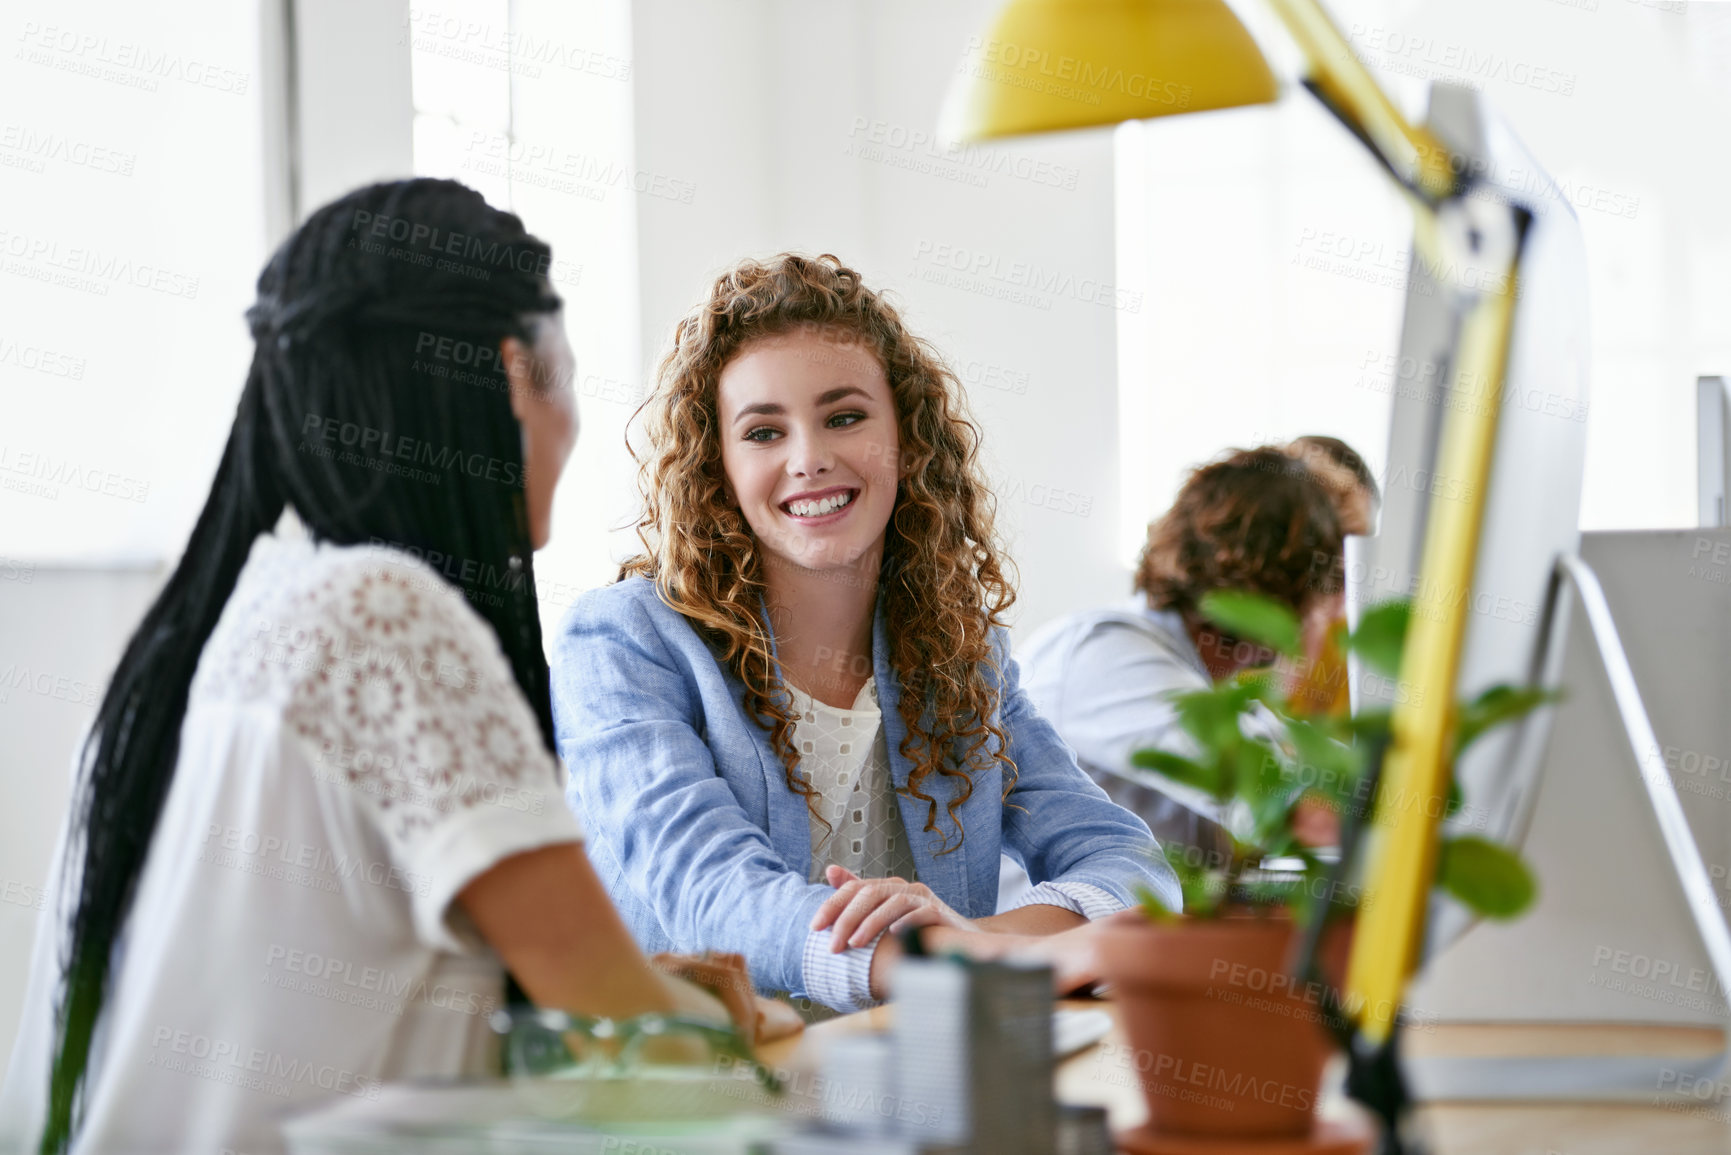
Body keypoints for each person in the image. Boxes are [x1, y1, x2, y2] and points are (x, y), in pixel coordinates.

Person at [0, 180, 771, 1155]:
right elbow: (643, 1055)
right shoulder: (385, 617)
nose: (575, 423)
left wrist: (634, 990)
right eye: (568, 375)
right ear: (511, 375)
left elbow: (355, 1032)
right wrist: (696, 1020)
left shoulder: (217, 628)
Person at [550, 253, 1177, 1017]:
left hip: (918, 1082)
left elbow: (1131, 860)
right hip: (703, 1099)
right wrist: (961, 960)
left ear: (906, 439)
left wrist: (992, 947)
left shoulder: (958, 652)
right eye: (763, 431)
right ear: (718, 465)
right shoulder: (623, 641)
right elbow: (709, 896)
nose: (809, 459)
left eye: (843, 417)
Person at [1017, 446, 1350, 860]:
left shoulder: (1194, 674)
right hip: (1062, 922)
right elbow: (1306, 811)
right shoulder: (1105, 653)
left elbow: (1311, 773)